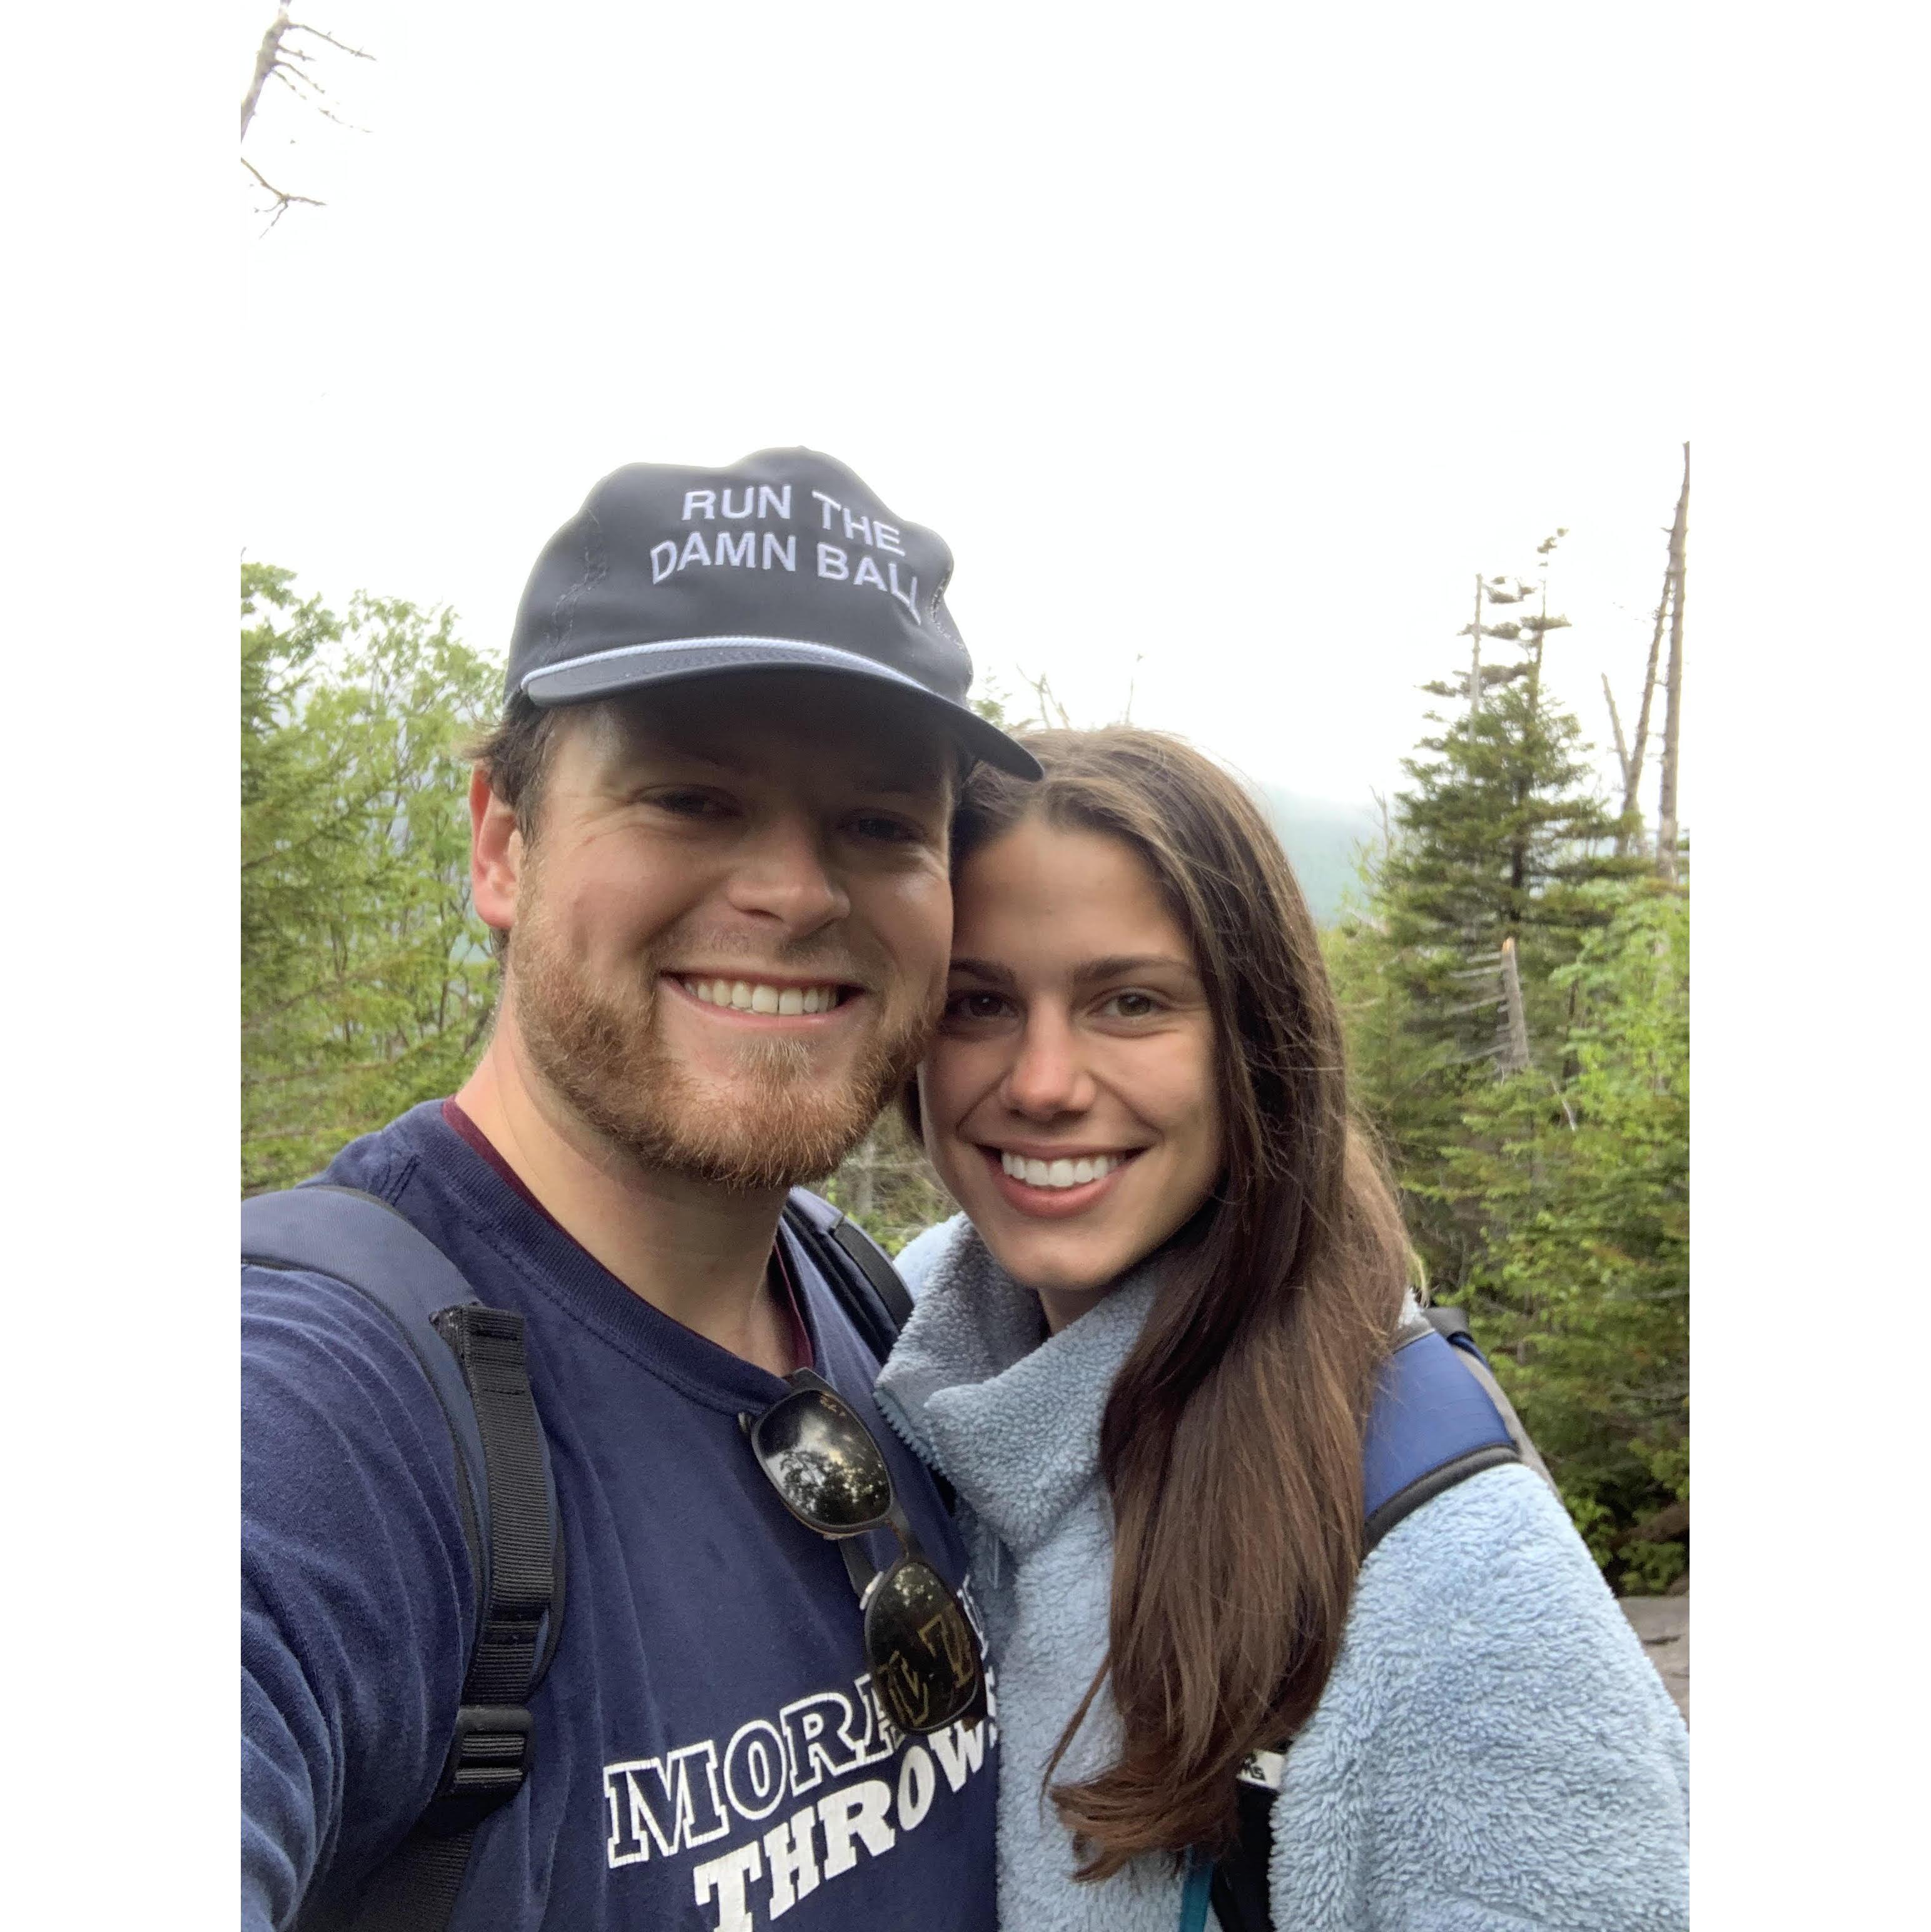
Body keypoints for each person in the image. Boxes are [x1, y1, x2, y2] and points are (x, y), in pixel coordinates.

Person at [241, 450, 1040, 1932]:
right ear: (500, 840)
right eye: (688, 795)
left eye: (880, 825)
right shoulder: (320, 1416)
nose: (798, 893)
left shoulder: (869, 1308)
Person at [876, 727, 1691, 1931]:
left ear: (1252, 1044)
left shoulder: (1449, 1579)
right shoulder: (900, 1366)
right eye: (979, 1001)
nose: (1044, 1081)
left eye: (1132, 1001)